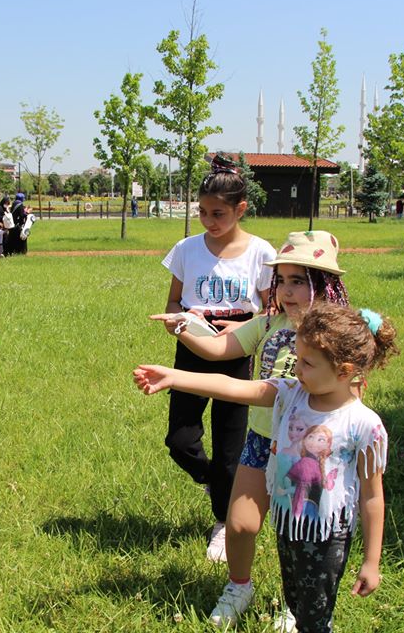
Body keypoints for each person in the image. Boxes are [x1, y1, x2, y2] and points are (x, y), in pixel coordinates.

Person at [134, 302, 398, 633]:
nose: (296, 369)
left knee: (314, 619)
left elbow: (372, 497)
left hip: (327, 536)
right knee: (297, 601)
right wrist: (174, 377)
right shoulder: (290, 394)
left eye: (307, 363)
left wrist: (371, 561)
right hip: (287, 527)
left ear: (344, 372)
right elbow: (233, 387)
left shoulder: (364, 425)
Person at [152, 230, 350, 627]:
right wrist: (183, 327)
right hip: (262, 441)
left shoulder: (334, 337)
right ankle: (239, 587)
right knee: (240, 523)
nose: (287, 290)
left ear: (323, 284)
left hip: (309, 451)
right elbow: (221, 349)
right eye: (282, 280)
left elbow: (274, 391)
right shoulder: (269, 322)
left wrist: (177, 377)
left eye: (299, 281)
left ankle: (297, 606)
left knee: (298, 535)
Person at [156, 154, 276, 562]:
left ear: (241, 209)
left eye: (218, 213)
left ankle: (223, 522)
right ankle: (214, 481)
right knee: (179, 440)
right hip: (191, 345)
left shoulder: (261, 253)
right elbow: (174, 301)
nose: (209, 221)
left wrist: (243, 329)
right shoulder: (187, 249)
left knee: (230, 449)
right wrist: (177, 322)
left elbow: (271, 310)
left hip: (237, 351)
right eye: (203, 212)